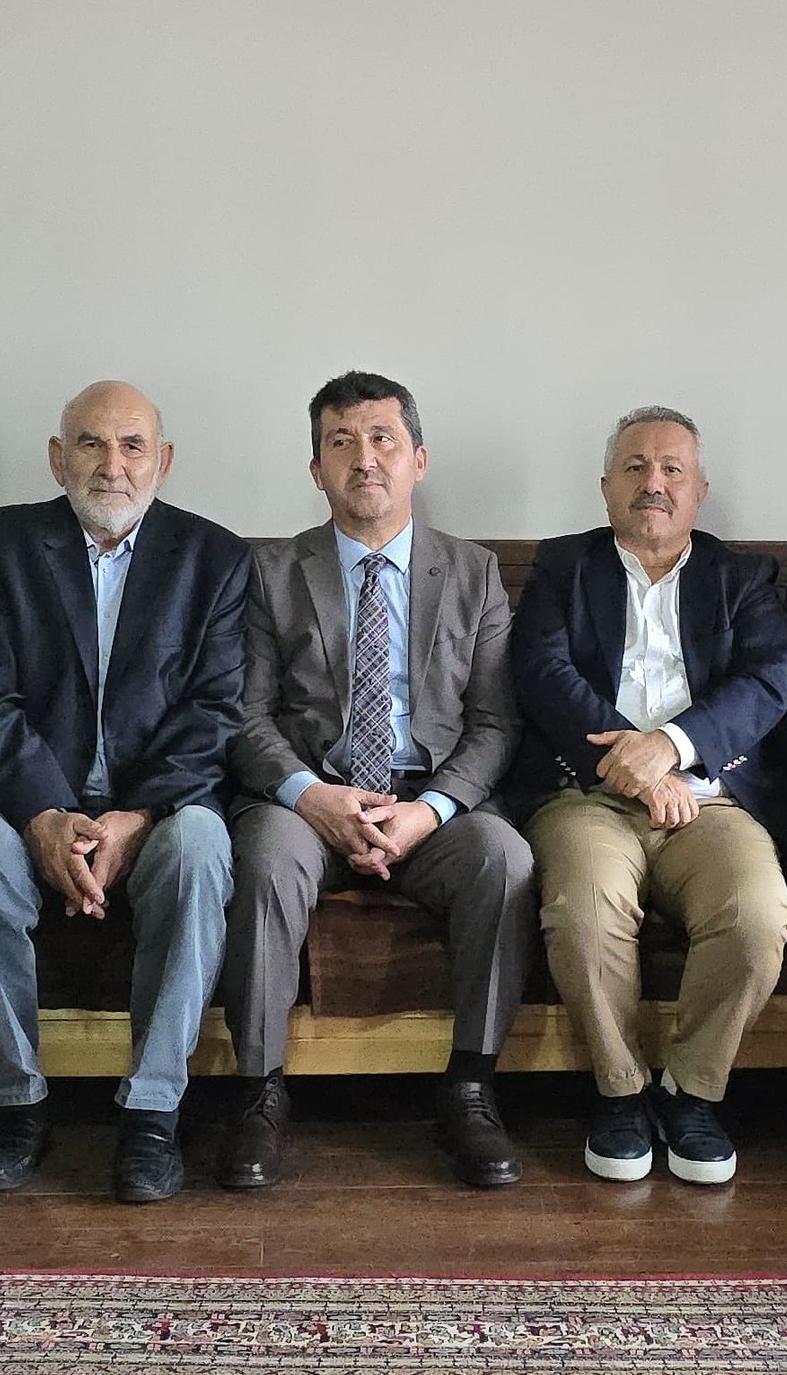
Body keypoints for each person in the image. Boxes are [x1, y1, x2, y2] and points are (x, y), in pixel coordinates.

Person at [0, 381, 248, 1204]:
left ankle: (152, 1112)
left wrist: (133, 818)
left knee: (203, 845)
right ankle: (14, 1104)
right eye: (90, 443)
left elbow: (215, 709)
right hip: (26, 804)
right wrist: (45, 814)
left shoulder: (214, 558)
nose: (113, 464)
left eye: (132, 445)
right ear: (56, 457)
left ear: (163, 460)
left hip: (155, 809)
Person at [222, 370, 536, 1190]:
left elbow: (495, 724)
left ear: (418, 459)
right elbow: (245, 716)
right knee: (264, 859)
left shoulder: (473, 572)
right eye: (341, 442)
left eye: (382, 439)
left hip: (428, 799)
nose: (364, 459)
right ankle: (258, 1091)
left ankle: (471, 1087)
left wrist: (428, 811)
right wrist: (310, 795)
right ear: (316, 468)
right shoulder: (271, 571)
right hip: (309, 796)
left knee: (505, 857)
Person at [506, 406, 787, 1185]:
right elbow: (541, 671)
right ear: (606, 486)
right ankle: (621, 1090)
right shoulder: (564, 566)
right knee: (584, 909)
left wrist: (671, 747)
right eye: (634, 467)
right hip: (585, 794)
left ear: (700, 490)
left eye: (672, 469)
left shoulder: (742, 578)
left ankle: (691, 1090)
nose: (653, 483)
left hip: (711, 799)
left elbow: (767, 682)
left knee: (757, 914)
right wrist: (633, 765)